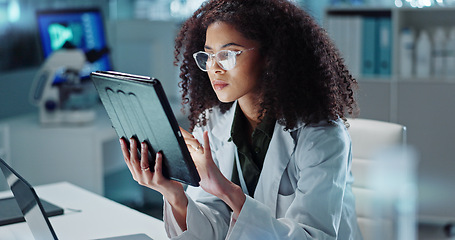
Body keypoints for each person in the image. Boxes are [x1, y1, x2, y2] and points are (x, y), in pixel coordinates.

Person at [119, 0, 363, 239]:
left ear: (270, 55)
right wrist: (174, 194)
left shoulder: (322, 136)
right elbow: (212, 230)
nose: (214, 68)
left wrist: (227, 191)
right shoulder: (212, 123)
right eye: (208, 55)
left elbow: (313, 236)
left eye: (228, 54)